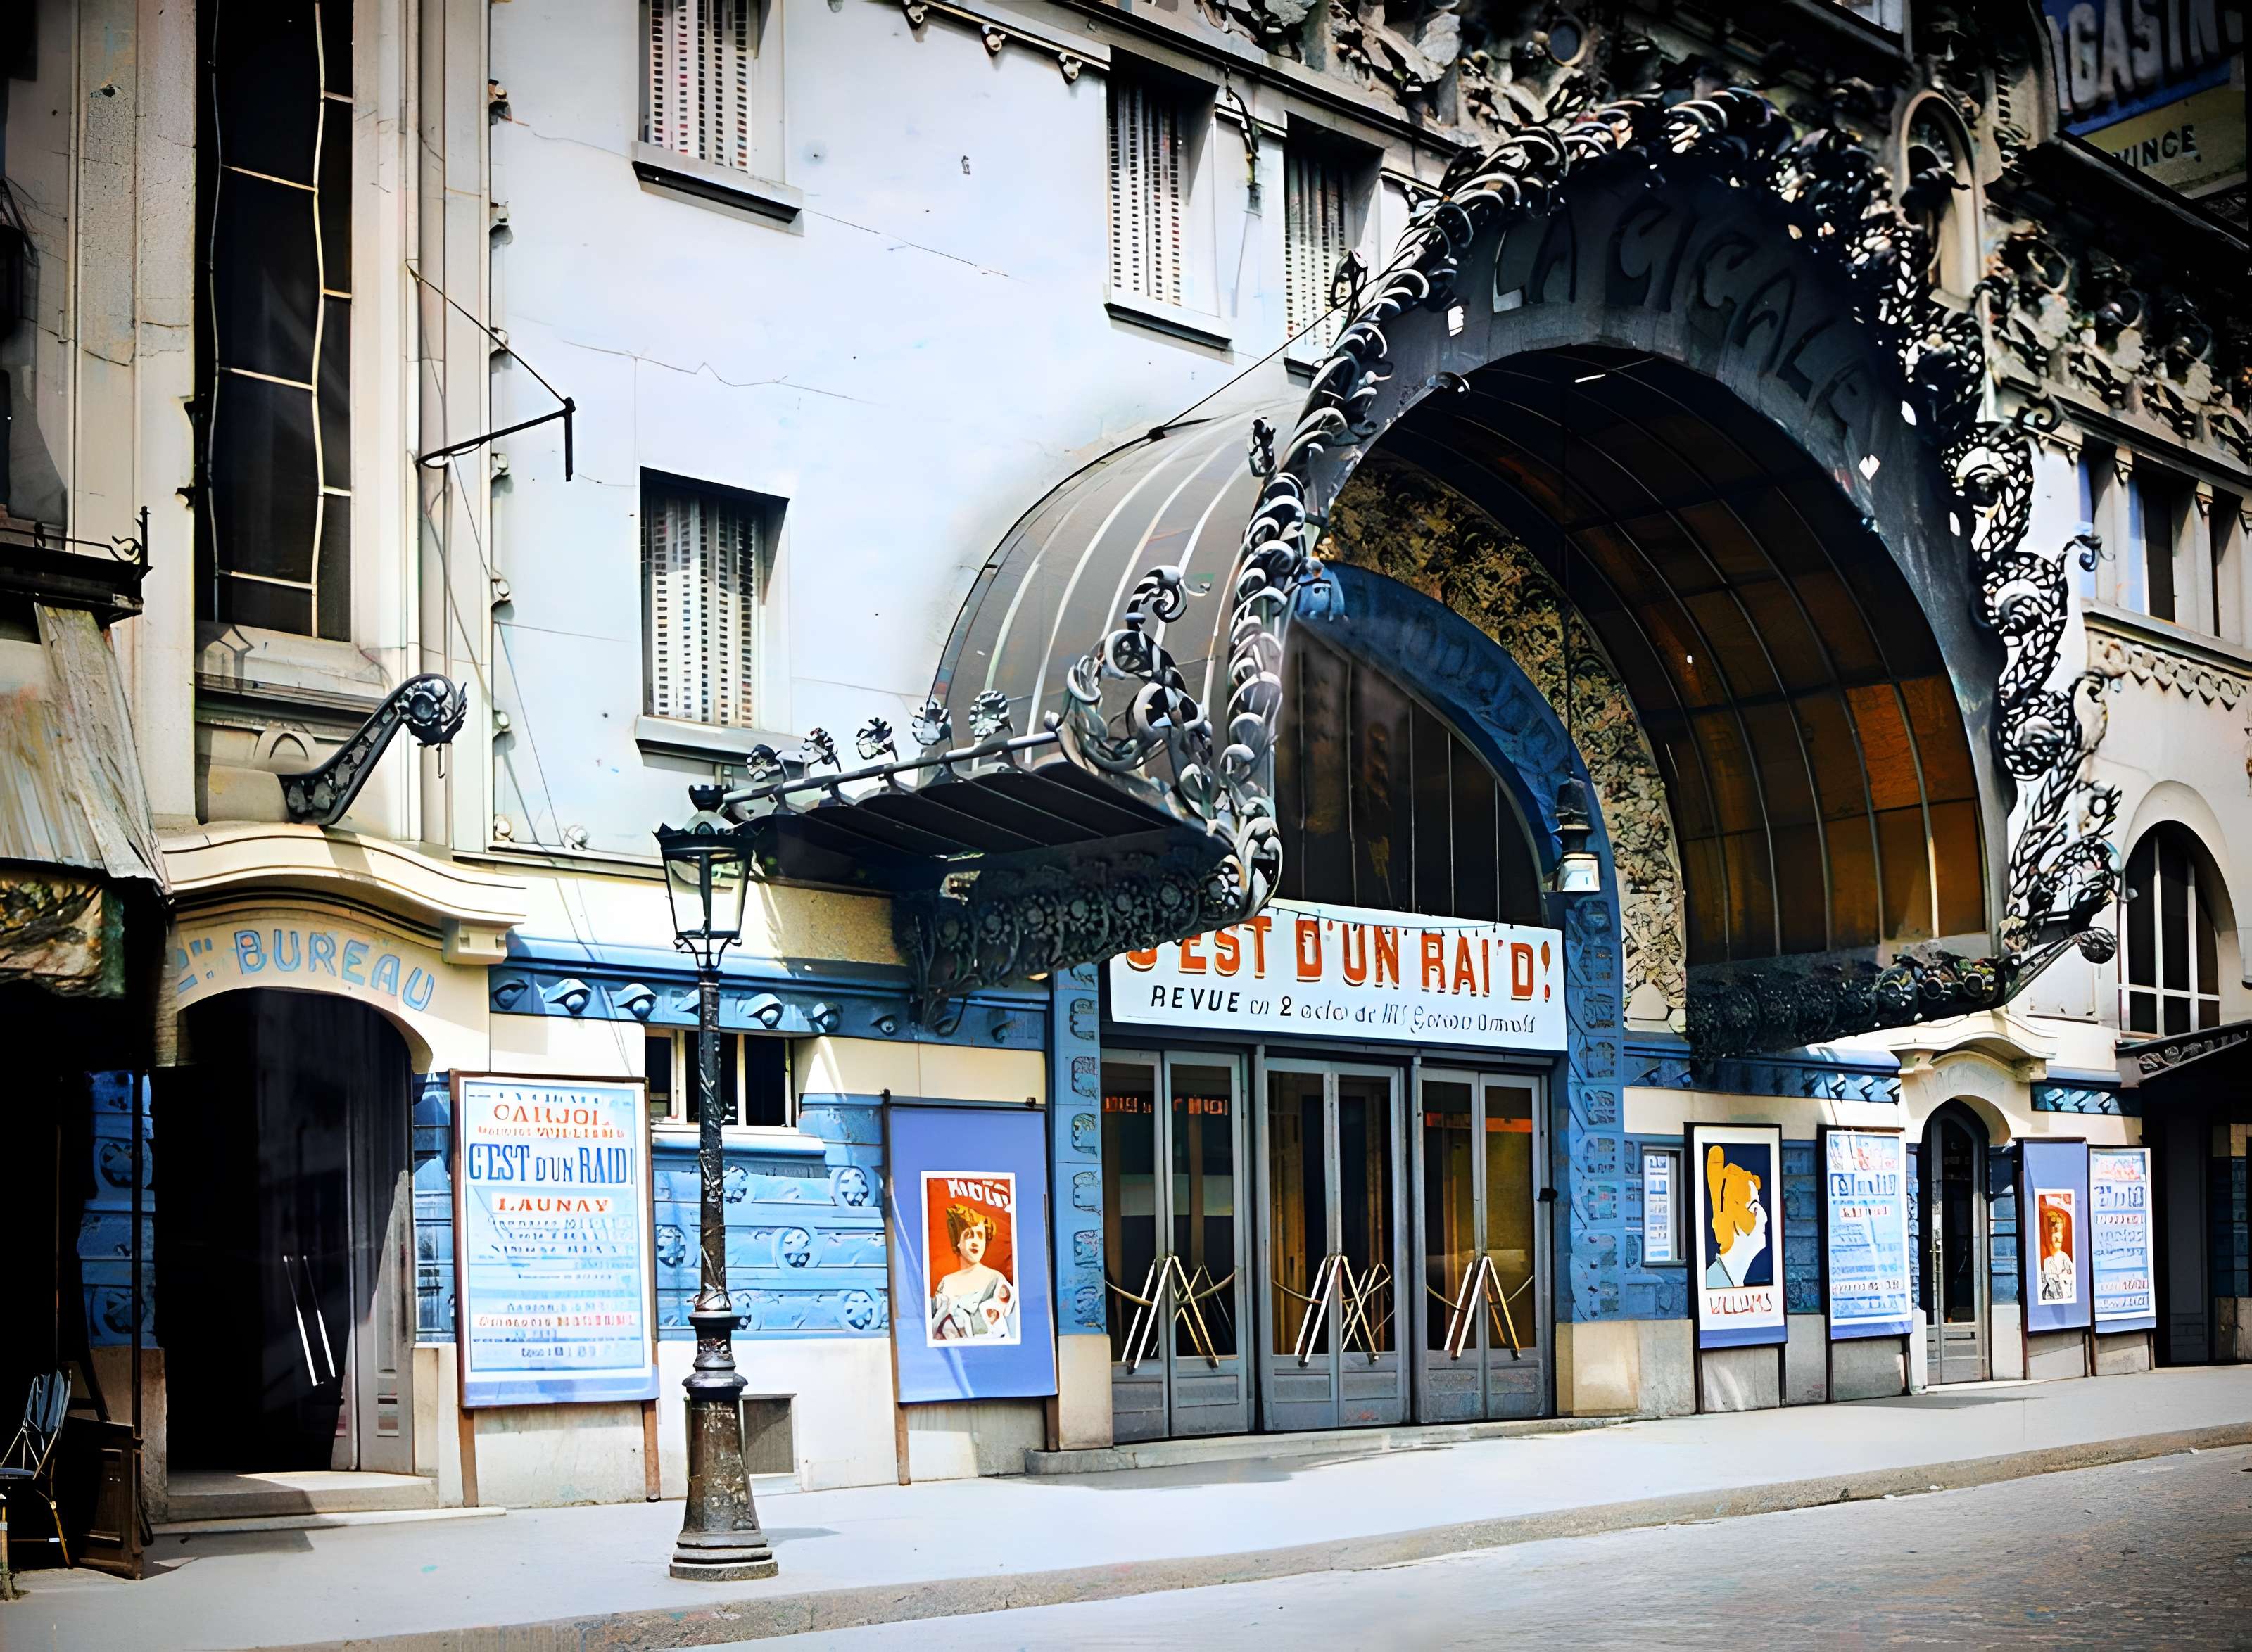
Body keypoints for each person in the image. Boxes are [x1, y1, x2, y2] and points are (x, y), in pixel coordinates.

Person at [930, 1202, 1017, 1342]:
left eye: (980, 1235)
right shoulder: (946, 1282)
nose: (975, 1241)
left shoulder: (996, 1280)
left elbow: (1012, 1330)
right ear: (958, 1241)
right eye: (969, 1235)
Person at [1704, 1143, 1771, 1290]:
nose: (1764, 1217)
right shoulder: (1714, 1287)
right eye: (1754, 1207)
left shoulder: (1730, 1283)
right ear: (1731, 1219)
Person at [2039, 1203, 2075, 1304]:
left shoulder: (2064, 1257)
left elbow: (2072, 1276)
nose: (2056, 1236)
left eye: (2059, 1231)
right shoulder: (2047, 1261)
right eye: (2053, 1231)